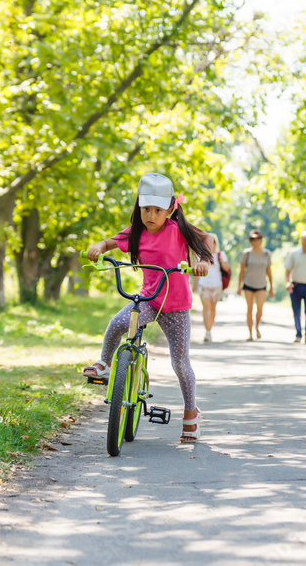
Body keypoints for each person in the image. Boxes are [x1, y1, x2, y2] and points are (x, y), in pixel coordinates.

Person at [82, 172, 213, 443]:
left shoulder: (177, 231)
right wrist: (98, 247)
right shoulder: (136, 233)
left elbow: (207, 241)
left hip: (176, 307)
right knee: (118, 323)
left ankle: (191, 412)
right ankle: (106, 364)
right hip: (149, 300)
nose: (150, 215)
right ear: (139, 207)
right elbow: (110, 243)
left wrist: (202, 262)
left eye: (157, 210)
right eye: (145, 209)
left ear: (169, 210)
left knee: (180, 362)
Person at [191, 233, 230, 343]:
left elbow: (227, 268)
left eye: (212, 241)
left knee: (213, 309)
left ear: (215, 243)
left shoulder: (220, 254)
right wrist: (194, 285)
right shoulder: (201, 255)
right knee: (206, 308)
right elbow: (197, 272)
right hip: (204, 285)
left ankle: (209, 330)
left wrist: (222, 262)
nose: (210, 244)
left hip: (217, 285)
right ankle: (207, 331)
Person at [237, 229, 274, 341]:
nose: (255, 241)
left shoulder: (266, 254)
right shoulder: (246, 253)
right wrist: (239, 286)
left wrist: (272, 287)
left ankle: (257, 327)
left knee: (259, 309)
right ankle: (250, 333)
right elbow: (242, 271)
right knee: (249, 309)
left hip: (261, 284)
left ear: (261, 240)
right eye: (253, 239)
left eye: (258, 239)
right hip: (248, 284)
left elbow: (269, 271)